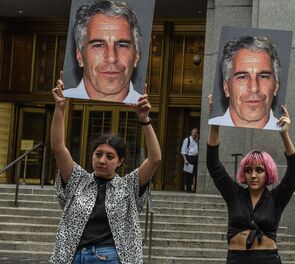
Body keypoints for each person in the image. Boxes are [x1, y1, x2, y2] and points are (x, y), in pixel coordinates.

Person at [49, 77, 161, 263]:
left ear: (120, 161)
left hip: (111, 258)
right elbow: (58, 147)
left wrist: (144, 119)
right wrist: (60, 108)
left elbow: (155, 158)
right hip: (72, 256)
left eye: (110, 157)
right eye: (98, 154)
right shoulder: (78, 180)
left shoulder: (128, 186)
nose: (102, 160)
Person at [206, 94, 295, 263]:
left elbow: (294, 173)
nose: (253, 175)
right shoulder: (234, 194)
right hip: (236, 258)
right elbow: (213, 165)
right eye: (248, 170)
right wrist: (215, 125)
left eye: (259, 170)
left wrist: (285, 135)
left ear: (268, 173)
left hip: (267, 259)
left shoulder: (275, 198)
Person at [63, 0, 143, 103]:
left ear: (136, 56)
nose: (111, 58)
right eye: (98, 46)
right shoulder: (60, 104)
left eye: (122, 45)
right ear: (79, 56)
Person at [208, 36, 281, 130]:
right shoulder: (209, 130)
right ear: (226, 88)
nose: (254, 88)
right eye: (242, 77)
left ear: (276, 86)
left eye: (263, 76)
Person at [180, 127, 199, 193]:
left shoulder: (197, 140)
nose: (194, 134)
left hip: (196, 158)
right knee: (189, 174)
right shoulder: (187, 140)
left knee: (195, 173)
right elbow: (183, 151)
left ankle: (195, 188)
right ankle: (188, 188)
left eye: (196, 133)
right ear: (191, 133)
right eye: (193, 132)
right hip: (189, 158)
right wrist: (185, 160)